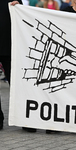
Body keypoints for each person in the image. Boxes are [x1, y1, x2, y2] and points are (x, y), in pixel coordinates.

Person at [0, 0, 23, 130]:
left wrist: (19, 5)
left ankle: (25, 118)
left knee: (17, 86)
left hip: (10, 47)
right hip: (9, 46)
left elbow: (24, 15)